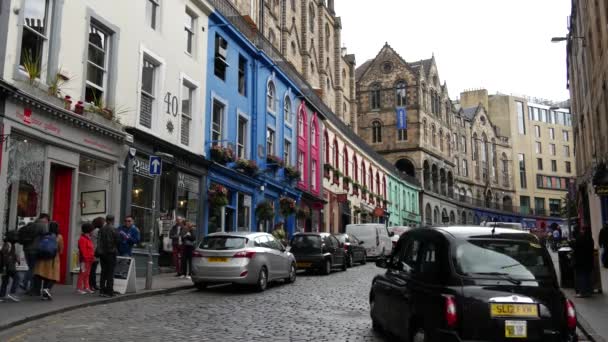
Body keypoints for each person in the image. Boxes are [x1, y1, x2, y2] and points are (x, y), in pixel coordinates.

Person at [18, 213, 49, 294]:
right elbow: (46, 237)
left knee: (31, 268)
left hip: (26, 249)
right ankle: (24, 283)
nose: (47, 222)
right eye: (47, 220)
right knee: (33, 268)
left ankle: (31, 288)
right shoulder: (42, 225)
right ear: (45, 218)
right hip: (35, 250)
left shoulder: (31, 224)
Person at [34, 222, 63, 300]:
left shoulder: (44, 235)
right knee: (53, 277)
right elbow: (61, 250)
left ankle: (45, 294)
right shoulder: (59, 237)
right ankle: (46, 292)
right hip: (53, 259)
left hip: (42, 259)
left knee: (46, 276)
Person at [97, 215, 121, 297]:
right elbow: (118, 240)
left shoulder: (101, 229)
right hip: (111, 253)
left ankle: (102, 290)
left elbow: (99, 241)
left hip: (102, 253)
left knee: (103, 272)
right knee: (110, 272)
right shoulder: (114, 229)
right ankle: (109, 291)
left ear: (106, 220)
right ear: (113, 220)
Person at [573, 226, 595, 298]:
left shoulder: (580, 238)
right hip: (589, 260)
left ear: (583, 231)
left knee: (582, 276)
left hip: (581, 261)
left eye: (582, 230)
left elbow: (575, 249)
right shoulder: (591, 239)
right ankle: (590, 291)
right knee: (589, 275)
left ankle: (583, 292)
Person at [0, 230, 20, 302]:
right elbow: (5, 255)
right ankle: (12, 293)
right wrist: (6, 265)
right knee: (17, 278)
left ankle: (1, 296)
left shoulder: (8, 244)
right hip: (9, 266)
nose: (17, 238)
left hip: (6, 266)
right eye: (15, 236)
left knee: (5, 281)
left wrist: (16, 259)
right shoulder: (8, 245)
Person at [77, 223, 95, 294]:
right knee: (82, 273)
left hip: (89, 259)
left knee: (87, 274)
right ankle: (79, 288)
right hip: (84, 260)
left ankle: (86, 287)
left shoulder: (88, 238)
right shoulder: (82, 239)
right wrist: (87, 258)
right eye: (92, 230)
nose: (93, 231)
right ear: (89, 230)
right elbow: (83, 250)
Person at [89, 217, 104, 291]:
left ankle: (92, 284)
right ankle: (92, 285)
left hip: (92, 251)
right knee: (93, 270)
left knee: (92, 269)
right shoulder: (98, 231)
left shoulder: (93, 230)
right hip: (95, 252)